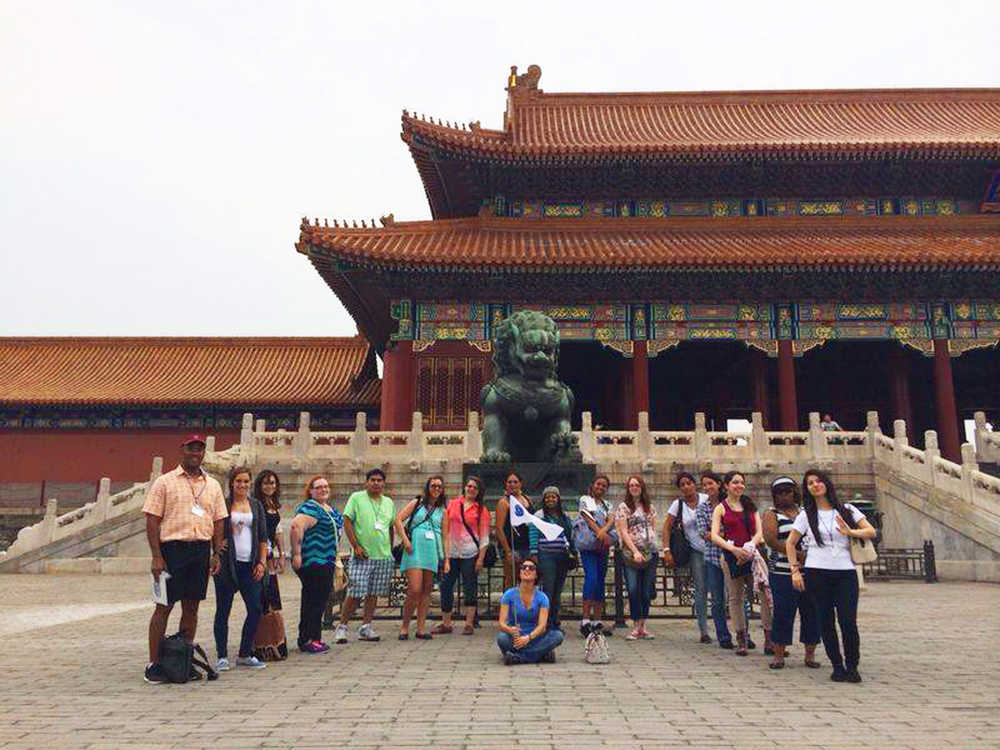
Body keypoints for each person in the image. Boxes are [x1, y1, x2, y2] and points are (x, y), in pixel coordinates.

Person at [141, 435, 227, 684]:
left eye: (200, 450)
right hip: (171, 551)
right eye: (191, 449)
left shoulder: (212, 485)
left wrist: (216, 553)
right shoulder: (165, 482)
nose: (195, 453)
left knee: (192, 606)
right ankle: (155, 663)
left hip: (199, 550)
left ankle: (183, 659)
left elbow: (219, 519)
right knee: (164, 607)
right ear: (182, 451)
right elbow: (152, 519)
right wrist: (157, 556)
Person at [787, 469, 877, 683]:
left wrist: (850, 532)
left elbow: (870, 531)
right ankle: (837, 665)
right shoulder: (806, 514)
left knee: (848, 621)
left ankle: (852, 665)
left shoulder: (847, 509)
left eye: (819, 481)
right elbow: (791, 543)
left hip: (845, 572)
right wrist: (795, 570)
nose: (815, 485)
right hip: (817, 572)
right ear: (807, 489)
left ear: (826, 484)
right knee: (826, 621)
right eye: (810, 483)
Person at [211, 466, 268, 671]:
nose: (242, 485)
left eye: (246, 481)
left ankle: (244, 653)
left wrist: (262, 562)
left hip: (250, 564)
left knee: (255, 608)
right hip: (227, 565)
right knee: (223, 610)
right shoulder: (223, 504)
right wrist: (217, 550)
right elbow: (212, 529)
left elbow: (262, 536)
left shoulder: (256, 505)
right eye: (238, 481)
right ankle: (222, 656)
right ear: (231, 483)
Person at [710, 470, 772, 656]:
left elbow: (759, 532)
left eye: (741, 482)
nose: (739, 486)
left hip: (753, 557)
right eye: (735, 482)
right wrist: (735, 550)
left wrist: (750, 546)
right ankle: (741, 638)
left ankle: (769, 638)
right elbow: (714, 535)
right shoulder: (720, 508)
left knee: (764, 596)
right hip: (731, 557)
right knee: (736, 599)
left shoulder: (750, 506)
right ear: (726, 486)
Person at [762, 476, 821, 670]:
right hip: (782, 571)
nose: (784, 496)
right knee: (783, 613)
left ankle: (810, 654)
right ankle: (779, 654)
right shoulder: (772, 514)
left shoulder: (806, 512)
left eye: (788, 492)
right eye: (780, 493)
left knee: (811, 612)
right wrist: (797, 555)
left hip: (810, 570)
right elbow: (771, 540)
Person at [334, 468, 395, 644]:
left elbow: (390, 526)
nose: (376, 483)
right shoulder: (356, 498)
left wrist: (390, 548)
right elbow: (347, 520)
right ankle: (342, 627)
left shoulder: (388, 502)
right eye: (373, 480)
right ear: (366, 482)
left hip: (382, 555)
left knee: (373, 592)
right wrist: (355, 545)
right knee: (355, 591)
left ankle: (366, 626)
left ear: (384, 483)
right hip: (363, 555)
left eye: (379, 480)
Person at [289, 475, 342, 653]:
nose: (323, 489)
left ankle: (312, 638)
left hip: (326, 560)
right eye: (318, 487)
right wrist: (296, 554)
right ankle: (308, 639)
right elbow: (296, 526)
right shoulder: (311, 507)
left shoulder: (327, 508)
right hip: (314, 561)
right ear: (310, 491)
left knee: (318, 600)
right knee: (314, 601)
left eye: (326, 486)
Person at [434, 476, 490, 635]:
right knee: (446, 585)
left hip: (469, 552)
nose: (471, 489)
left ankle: (469, 623)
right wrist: (443, 554)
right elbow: (445, 529)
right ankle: (446, 623)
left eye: (475, 487)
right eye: (469, 486)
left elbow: (484, 537)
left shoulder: (481, 510)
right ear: (464, 488)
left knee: (470, 586)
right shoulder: (452, 504)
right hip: (451, 551)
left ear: (479, 492)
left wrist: (480, 558)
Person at [394, 475, 446, 640]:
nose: (436, 489)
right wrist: (405, 540)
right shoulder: (417, 503)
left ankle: (421, 628)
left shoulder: (443, 510)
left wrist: (445, 558)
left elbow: (446, 535)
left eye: (439, 486)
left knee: (427, 590)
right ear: (427, 487)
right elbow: (398, 520)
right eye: (433, 486)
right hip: (414, 549)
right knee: (414, 589)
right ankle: (405, 626)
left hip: (432, 551)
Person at [662, 472, 710, 643]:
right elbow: (667, 527)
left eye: (689, 483)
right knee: (700, 589)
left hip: (715, 549)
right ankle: (703, 630)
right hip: (696, 550)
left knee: (722, 591)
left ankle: (726, 628)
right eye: (682, 484)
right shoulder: (678, 504)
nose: (686, 487)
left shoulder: (707, 499)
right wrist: (666, 550)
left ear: (695, 484)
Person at [615, 475, 659, 640]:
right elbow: (623, 531)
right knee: (633, 589)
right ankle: (635, 624)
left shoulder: (650, 507)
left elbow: (653, 529)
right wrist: (635, 551)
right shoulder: (623, 507)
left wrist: (651, 548)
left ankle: (643, 625)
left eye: (636, 484)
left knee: (646, 591)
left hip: (650, 552)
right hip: (631, 553)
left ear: (642, 487)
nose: (634, 487)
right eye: (631, 485)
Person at [496, 559, 564, 664]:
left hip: (535, 638)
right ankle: (540, 654)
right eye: (523, 567)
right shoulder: (509, 594)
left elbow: (542, 626)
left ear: (536, 575)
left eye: (531, 568)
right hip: (516, 639)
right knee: (502, 639)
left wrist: (528, 638)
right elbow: (501, 623)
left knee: (558, 636)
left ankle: (518, 657)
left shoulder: (542, 597)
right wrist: (510, 630)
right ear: (519, 572)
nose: (527, 569)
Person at [528, 486, 575, 632]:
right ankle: (545, 623)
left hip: (562, 555)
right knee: (548, 589)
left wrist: (574, 552)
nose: (550, 499)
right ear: (543, 499)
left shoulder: (564, 516)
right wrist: (534, 553)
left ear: (558, 499)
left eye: (553, 497)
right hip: (546, 555)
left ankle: (554, 621)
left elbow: (570, 535)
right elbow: (534, 533)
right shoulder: (539, 515)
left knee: (557, 591)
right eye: (547, 497)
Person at [251, 469, 287, 661]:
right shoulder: (255, 505)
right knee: (262, 601)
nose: (269, 486)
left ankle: (274, 642)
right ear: (259, 485)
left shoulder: (273, 505)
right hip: (260, 556)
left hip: (271, 557)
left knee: (272, 600)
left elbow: (278, 531)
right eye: (265, 483)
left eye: (272, 483)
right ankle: (261, 645)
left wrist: (282, 554)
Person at [576, 474, 614, 636]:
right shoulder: (585, 499)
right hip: (588, 545)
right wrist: (600, 532)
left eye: (604, 486)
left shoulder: (608, 504)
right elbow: (588, 518)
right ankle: (585, 619)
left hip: (602, 546)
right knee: (591, 577)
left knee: (600, 580)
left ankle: (597, 620)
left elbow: (611, 519)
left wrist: (603, 532)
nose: (600, 488)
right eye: (598, 484)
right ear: (593, 485)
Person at [494, 472, 534, 590]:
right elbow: (499, 528)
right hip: (512, 547)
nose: (512, 484)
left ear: (520, 484)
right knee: (511, 580)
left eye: (515, 482)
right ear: (505, 485)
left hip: (527, 546)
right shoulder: (503, 502)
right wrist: (508, 551)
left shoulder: (527, 500)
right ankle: (508, 607)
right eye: (509, 482)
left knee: (526, 579)